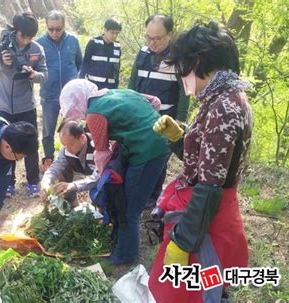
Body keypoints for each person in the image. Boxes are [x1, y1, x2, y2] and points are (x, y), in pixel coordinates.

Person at [148, 21, 252, 303]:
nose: (183, 75)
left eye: (184, 66)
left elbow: (209, 185)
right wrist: (178, 136)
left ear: (198, 61)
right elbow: (205, 161)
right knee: (204, 290)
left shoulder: (225, 105)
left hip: (207, 220)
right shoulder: (220, 96)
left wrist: (184, 243)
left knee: (195, 293)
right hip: (205, 212)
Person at [59, 79, 170, 265]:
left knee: (128, 208)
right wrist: (139, 126)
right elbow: (155, 102)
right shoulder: (115, 93)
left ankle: (126, 255)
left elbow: (101, 152)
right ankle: (121, 241)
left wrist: (104, 179)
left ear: (77, 100)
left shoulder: (94, 114)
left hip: (145, 152)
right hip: (162, 141)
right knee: (130, 200)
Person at [0, 12, 47, 198]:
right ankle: (7, 183)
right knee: (5, 145)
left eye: (30, 37)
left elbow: (45, 75)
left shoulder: (37, 48)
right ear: (15, 29)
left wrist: (35, 75)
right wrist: (1, 63)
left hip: (26, 105)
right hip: (2, 105)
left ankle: (33, 181)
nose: (26, 41)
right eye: (22, 36)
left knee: (31, 145)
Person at [127, 14, 190, 207]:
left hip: (165, 119)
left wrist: (180, 120)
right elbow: (132, 83)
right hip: (141, 117)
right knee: (139, 155)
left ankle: (154, 197)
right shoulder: (143, 53)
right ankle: (139, 192)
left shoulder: (179, 58)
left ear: (170, 35)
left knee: (158, 159)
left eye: (158, 38)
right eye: (148, 37)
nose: (152, 43)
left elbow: (185, 92)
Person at [36, 10, 83, 172]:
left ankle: (73, 160)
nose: (55, 32)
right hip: (49, 95)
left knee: (72, 129)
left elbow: (79, 64)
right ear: (46, 27)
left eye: (58, 29)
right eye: (51, 29)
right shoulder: (39, 43)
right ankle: (48, 158)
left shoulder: (73, 41)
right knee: (48, 130)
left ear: (64, 26)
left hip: (71, 97)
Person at [40, 120, 97, 203]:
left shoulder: (97, 147)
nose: (67, 149)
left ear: (82, 138)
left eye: (71, 145)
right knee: (62, 170)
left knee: (98, 191)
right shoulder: (66, 150)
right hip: (86, 171)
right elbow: (55, 167)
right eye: (64, 145)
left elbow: (99, 176)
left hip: (105, 177)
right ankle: (71, 202)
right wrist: (45, 182)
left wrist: (74, 185)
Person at [79, 17, 122, 89]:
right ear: (105, 30)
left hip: (110, 89)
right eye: (112, 32)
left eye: (117, 33)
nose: (114, 36)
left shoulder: (117, 46)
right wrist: (81, 84)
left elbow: (117, 69)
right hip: (93, 87)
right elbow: (85, 64)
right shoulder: (94, 43)